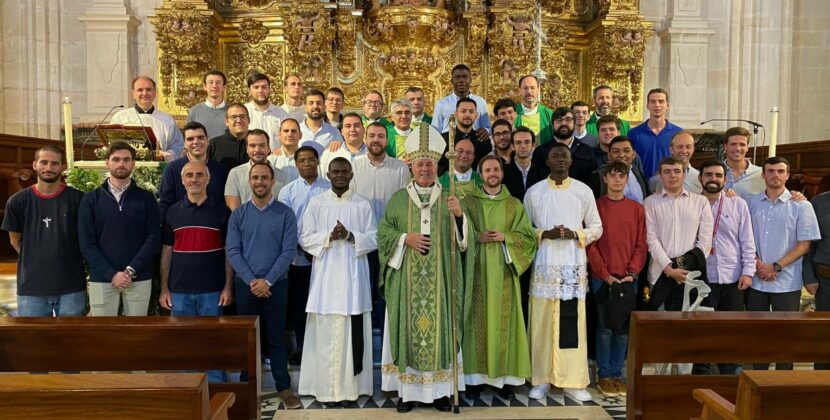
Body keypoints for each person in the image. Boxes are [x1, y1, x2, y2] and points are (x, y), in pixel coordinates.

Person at [378, 124, 468, 413]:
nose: (425, 169)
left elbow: (465, 243)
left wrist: (459, 216)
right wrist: (406, 238)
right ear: (412, 167)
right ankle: (407, 392)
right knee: (408, 330)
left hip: (441, 282)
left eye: (430, 163)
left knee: (441, 330)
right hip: (407, 283)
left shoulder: (450, 197)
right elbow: (384, 235)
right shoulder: (398, 200)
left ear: (437, 167)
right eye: (420, 164)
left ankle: (441, 392)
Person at [523, 142, 603, 403]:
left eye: (564, 156)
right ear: (547, 161)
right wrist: (542, 233)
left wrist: (576, 234)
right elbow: (523, 230)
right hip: (545, 268)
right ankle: (541, 379)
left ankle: (572, 381)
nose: (559, 160)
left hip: (572, 267)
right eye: (554, 156)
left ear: (570, 162)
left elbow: (597, 227)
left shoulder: (583, 191)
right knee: (541, 327)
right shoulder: (535, 192)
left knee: (572, 328)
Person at [297, 158, 376, 406]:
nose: (340, 175)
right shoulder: (317, 203)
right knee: (326, 336)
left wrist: (351, 235)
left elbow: (375, 237)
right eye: (335, 172)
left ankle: (350, 391)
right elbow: (303, 237)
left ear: (351, 174)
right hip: (325, 281)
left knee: (352, 334)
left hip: (354, 279)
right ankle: (326, 391)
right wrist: (329, 236)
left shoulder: (363, 204)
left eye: (344, 171)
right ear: (328, 175)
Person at [226, 162, 301, 409]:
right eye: (255, 177)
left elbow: (288, 250)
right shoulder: (239, 214)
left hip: (276, 285)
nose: (260, 182)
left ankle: (283, 388)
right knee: (248, 340)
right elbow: (233, 250)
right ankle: (248, 387)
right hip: (245, 285)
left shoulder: (285, 213)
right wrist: (252, 281)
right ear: (249, 181)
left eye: (265, 178)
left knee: (276, 338)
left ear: (272, 181)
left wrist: (267, 281)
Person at [462, 155, 536, 400]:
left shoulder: (514, 204)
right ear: (480, 174)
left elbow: (527, 239)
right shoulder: (469, 203)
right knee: (475, 323)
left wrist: (506, 237)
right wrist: (475, 237)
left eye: (496, 169)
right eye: (487, 170)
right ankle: (473, 378)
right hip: (476, 273)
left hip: (505, 274)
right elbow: (457, 233)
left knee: (504, 324)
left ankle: (502, 379)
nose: (492, 173)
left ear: (502, 174)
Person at [159, 160, 232, 382]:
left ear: (208, 179)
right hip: (179, 290)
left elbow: (229, 251)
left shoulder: (222, 212)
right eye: (189, 175)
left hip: (212, 289)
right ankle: (187, 385)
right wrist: (164, 288)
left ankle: (215, 384)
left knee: (212, 339)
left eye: (199, 175)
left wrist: (228, 286)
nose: (194, 179)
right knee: (183, 341)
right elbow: (166, 253)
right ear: (182, 181)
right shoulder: (172, 213)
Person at [746, 156, 820, 370]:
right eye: (770, 171)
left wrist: (775, 266)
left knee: (786, 334)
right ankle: (758, 379)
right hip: (757, 280)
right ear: (763, 175)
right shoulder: (751, 203)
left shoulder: (801, 205)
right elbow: (745, 239)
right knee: (758, 335)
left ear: (787, 175)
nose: (775, 175)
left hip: (787, 281)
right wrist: (760, 265)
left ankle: (782, 380)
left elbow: (804, 244)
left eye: (780, 171)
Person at [1, 145, 86, 317]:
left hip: (71, 287)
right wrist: (35, 257)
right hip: (31, 287)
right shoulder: (17, 201)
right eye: (44, 162)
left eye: (55, 164)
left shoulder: (78, 199)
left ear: (63, 167)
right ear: (34, 165)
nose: (48, 168)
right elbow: (14, 240)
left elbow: (85, 239)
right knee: (34, 341)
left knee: (71, 340)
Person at [586, 160, 647, 396]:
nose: (617, 180)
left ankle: (617, 373)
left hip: (629, 279)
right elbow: (591, 244)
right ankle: (604, 375)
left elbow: (641, 244)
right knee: (604, 328)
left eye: (622, 176)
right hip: (604, 278)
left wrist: (632, 272)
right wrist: (605, 274)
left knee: (622, 328)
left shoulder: (636, 209)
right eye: (613, 176)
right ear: (605, 179)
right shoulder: (596, 207)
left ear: (627, 179)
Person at [78, 141, 160, 316]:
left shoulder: (146, 199)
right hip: (102, 278)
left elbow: (153, 237)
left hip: (138, 276)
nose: (121, 164)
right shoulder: (91, 200)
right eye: (116, 159)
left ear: (133, 163)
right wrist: (112, 274)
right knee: (103, 334)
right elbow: (86, 243)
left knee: (136, 334)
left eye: (126, 159)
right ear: (107, 162)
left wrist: (131, 270)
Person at [695, 159, 756, 375]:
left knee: (729, 329)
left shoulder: (737, 204)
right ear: (700, 178)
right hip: (702, 278)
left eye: (718, 175)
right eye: (708, 175)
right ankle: (702, 372)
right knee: (702, 329)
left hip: (732, 277)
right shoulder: (692, 203)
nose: (713, 179)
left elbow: (747, 241)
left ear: (725, 179)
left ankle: (728, 372)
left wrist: (748, 272)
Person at [351, 122, 411, 327]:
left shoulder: (400, 168)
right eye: (372, 136)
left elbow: (406, 204)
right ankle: (365, 338)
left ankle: (388, 344)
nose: (376, 140)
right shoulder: (354, 166)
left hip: (392, 241)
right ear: (365, 139)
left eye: (381, 136)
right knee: (364, 290)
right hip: (363, 240)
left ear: (387, 140)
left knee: (387, 292)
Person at [277, 145, 331, 366]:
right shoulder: (288, 191)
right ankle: (301, 345)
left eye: (311, 160)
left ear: (318, 162)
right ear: (296, 164)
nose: (307, 164)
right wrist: (305, 247)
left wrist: (319, 246)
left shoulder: (329, 188)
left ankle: (325, 346)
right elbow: (288, 225)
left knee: (324, 303)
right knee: (301, 303)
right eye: (302, 160)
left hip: (327, 255)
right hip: (299, 258)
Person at [644, 156, 713, 312]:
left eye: (677, 171)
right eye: (667, 172)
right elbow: (651, 238)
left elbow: (705, 241)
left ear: (684, 174)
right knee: (661, 328)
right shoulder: (650, 202)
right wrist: (669, 269)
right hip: (660, 273)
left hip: (690, 275)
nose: (672, 175)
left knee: (687, 331)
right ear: (660, 176)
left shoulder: (700, 202)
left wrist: (686, 266)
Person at [160, 121, 229, 222]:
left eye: (200, 137)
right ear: (184, 144)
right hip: (181, 225)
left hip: (213, 226)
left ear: (207, 141)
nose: (196, 142)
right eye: (190, 139)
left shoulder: (222, 170)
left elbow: (225, 203)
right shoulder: (172, 169)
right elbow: (165, 203)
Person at [110, 76, 183, 162]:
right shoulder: (120, 117)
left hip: (158, 169)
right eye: (140, 90)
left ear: (155, 93)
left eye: (149, 89)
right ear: (133, 94)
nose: (144, 93)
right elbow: (112, 146)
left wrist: (164, 156)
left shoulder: (167, 120)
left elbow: (178, 146)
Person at [224, 129, 289, 211]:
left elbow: (284, 208)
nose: (257, 150)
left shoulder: (282, 176)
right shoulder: (235, 174)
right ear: (247, 149)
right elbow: (233, 210)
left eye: (262, 145)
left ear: (268, 148)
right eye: (252, 146)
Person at [532, 107, 597, 185]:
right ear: (552, 124)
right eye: (559, 120)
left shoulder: (587, 151)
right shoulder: (540, 152)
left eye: (568, 119)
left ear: (574, 123)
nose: (563, 123)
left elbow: (593, 182)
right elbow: (537, 183)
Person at [629, 88, 683, 178]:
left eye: (661, 101)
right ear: (647, 105)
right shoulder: (634, 133)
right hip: (643, 185)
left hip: (669, 183)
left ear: (667, 105)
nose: (657, 105)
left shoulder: (678, 133)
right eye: (653, 102)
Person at [804, 191, 830, 367]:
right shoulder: (818, 202)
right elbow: (808, 243)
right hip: (826, 280)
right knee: (824, 335)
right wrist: (808, 276)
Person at [432, 63, 491, 137]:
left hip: (474, 145)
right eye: (457, 77)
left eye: (465, 77)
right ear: (452, 80)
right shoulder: (441, 104)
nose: (461, 80)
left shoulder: (480, 102)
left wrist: (486, 131)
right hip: (449, 146)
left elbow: (487, 128)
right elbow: (435, 131)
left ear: (470, 80)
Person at [438, 97, 493, 175]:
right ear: (456, 114)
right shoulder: (443, 139)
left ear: (476, 115)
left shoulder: (483, 139)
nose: (467, 115)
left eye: (471, 112)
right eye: (463, 111)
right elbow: (438, 167)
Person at [590, 136, 650, 203]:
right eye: (616, 151)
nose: (621, 155)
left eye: (626, 151)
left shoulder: (638, 173)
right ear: (609, 156)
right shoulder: (598, 177)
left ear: (633, 154)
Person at [244, 72, 289, 150]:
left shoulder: (282, 114)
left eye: (264, 87)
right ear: (249, 90)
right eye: (256, 87)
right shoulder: (243, 112)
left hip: (276, 159)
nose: (260, 90)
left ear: (269, 89)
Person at [503, 127, 547, 203]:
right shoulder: (503, 174)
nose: (523, 146)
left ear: (533, 145)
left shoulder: (543, 175)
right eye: (518, 142)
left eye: (527, 142)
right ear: (513, 146)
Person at [723, 126, 765, 199]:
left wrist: (791, 195)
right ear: (725, 146)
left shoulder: (761, 173)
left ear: (747, 147)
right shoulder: (713, 173)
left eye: (742, 144)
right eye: (733, 144)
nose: (738, 148)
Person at [299, 89, 344, 155]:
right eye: (311, 103)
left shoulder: (334, 132)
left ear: (324, 106)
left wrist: (341, 145)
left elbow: (343, 155)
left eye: (319, 103)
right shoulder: (296, 130)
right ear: (305, 106)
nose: (315, 106)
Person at [187, 69, 228, 139]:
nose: (214, 86)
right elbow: (189, 138)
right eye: (211, 82)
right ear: (205, 86)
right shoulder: (194, 111)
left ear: (224, 87)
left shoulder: (232, 111)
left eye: (218, 83)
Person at [207, 103, 250, 170]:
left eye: (242, 116)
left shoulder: (258, 141)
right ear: (226, 121)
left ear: (249, 120)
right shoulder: (214, 144)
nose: (239, 120)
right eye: (234, 117)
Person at [514, 75, 553, 145]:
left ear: (538, 89)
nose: (529, 91)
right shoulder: (513, 114)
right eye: (525, 88)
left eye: (532, 88)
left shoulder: (549, 114)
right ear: (519, 90)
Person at [268, 118, 301, 182]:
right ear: (279, 135)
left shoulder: (307, 160)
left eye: (293, 131)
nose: (289, 134)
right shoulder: (271, 161)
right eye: (286, 131)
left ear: (300, 135)